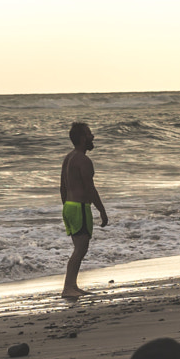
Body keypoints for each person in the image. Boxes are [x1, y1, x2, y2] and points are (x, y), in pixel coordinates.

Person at [59, 121, 110, 299]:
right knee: (80, 249)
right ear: (82, 138)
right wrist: (102, 211)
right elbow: (90, 188)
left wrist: (66, 207)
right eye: (89, 134)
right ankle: (68, 287)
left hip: (69, 207)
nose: (92, 137)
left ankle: (72, 285)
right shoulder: (83, 160)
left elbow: (62, 187)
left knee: (78, 248)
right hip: (79, 208)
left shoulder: (68, 158)